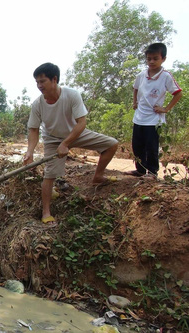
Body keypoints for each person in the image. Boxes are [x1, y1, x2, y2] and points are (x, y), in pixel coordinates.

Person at [23, 63, 118, 224]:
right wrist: (29, 151)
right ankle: (46, 212)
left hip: (75, 133)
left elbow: (81, 123)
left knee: (111, 144)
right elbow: (33, 130)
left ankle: (98, 176)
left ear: (54, 79)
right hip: (53, 138)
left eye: (42, 81)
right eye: (37, 82)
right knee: (50, 174)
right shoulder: (38, 104)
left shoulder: (72, 95)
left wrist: (66, 143)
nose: (39, 86)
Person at [124, 42, 182, 178]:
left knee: (151, 147)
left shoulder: (166, 76)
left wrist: (166, 108)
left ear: (163, 59)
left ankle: (152, 172)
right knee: (137, 146)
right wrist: (135, 102)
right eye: (149, 59)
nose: (151, 61)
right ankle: (140, 170)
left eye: (155, 58)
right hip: (139, 117)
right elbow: (135, 88)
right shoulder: (141, 75)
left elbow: (178, 93)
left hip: (153, 119)